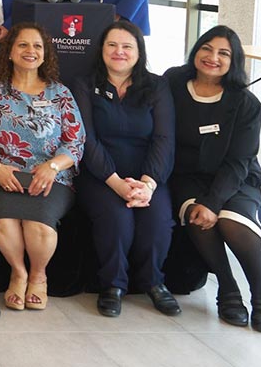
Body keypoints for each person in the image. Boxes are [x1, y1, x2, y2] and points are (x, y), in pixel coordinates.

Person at [0, 22, 85, 311]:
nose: (31, 51)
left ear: (45, 55)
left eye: (37, 46)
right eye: (23, 45)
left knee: (38, 227)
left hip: (49, 177)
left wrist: (52, 167)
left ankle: (39, 276)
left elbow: (75, 141)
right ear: (9, 52)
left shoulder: (60, 93)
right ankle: (19, 272)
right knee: (4, 224)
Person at [164, 26, 261, 333]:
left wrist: (213, 202)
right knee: (198, 217)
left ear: (234, 60)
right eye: (207, 48)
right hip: (186, 177)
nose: (213, 58)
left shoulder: (245, 103)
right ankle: (227, 287)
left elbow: (239, 161)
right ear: (196, 50)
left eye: (223, 53)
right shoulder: (173, 82)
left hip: (235, 179)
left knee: (231, 220)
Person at [73, 20, 180, 318]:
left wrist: (147, 184)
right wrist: (117, 183)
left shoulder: (157, 85)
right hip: (100, 174)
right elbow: (87, 139)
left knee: (157, 221)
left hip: (147, 174)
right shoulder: (85, 84)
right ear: (101, 50)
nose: (119, 52)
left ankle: (154, 283)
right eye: (112, 45)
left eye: (127, 46)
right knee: (117, 218)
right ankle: (113, 286)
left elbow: (164, 139)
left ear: (138, 52)